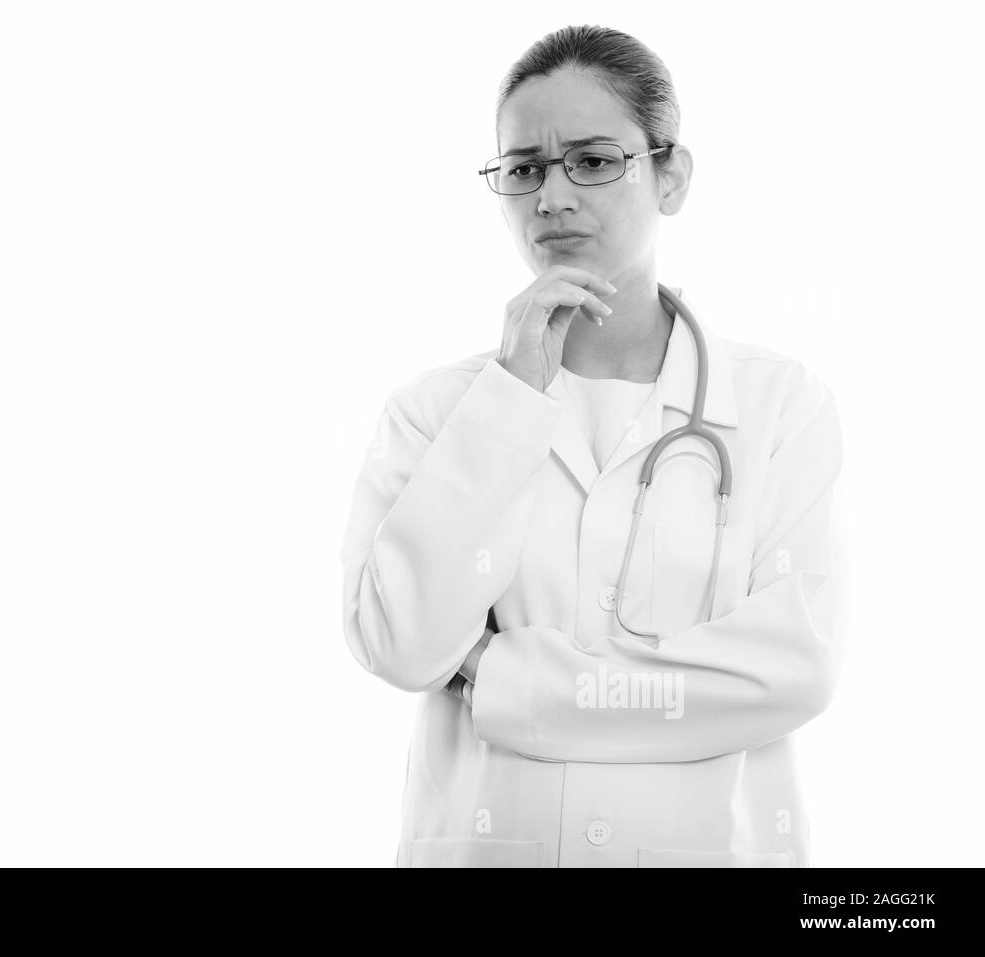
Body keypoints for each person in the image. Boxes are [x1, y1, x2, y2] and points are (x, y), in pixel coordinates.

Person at [338, 24, 848, 868]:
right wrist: (507, 402)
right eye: (524, 168)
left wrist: (510, 681)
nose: (551, 196)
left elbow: (796, 670)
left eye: (594, 159)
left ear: (671, 175)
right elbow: (400, 645)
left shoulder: (778, 406)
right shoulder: (436, 412)